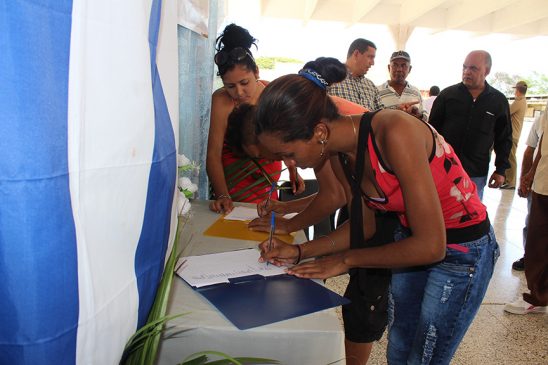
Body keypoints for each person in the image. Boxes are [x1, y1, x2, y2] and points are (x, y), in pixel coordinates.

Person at [254, 57, 499, 364]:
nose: (290, 164)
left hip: (462, 251)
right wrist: (300, 251)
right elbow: (364, 227)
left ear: (318, 132)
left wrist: (344, 260)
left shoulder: (393, 132)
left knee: (424, 356)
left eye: (288, 154)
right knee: (398, 348)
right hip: (409, 242)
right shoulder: (340, 152)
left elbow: (431, 246)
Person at [206, 24, 303, 214]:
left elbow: (286, 139)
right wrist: (223, 195)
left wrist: (293, 169)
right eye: (230, 86)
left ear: (256, 72)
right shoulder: (221, 100)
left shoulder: (272, 93)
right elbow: (213, 155)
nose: (239, 92)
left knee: (266, 222)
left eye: (244, 83)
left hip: (267, 177)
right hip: (234, 182)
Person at [429, 50, 512, 200]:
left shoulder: (498, 101)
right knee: (440, 213)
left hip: (476, 174)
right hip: (443, 170)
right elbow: (431, 132)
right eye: (464, 67)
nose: (467, 72)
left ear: (486, 71)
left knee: (471, 215)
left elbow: (504, 138)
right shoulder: (447, 96)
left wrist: (500, 170)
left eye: (473, 68)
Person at [504, 101, 547, 315]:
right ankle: (538, 297)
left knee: (539, 242)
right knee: (537, 241)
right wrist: (529, 175)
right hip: (544, 184)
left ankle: (538, 298)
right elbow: (541, 147)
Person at [511, 113, 544, 271]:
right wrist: (525, 179)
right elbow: (530, 151)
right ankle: (529, 256)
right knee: (533, 223)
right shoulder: (543, 119)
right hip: (541, 183)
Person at [328, 38, 384, 111]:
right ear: (356, 54)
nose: (372, 63)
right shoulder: (331, 77)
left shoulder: (371, 86)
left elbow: (381, 114)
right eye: (370, 57)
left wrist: (396, 111)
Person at [377, 50, 428, 121]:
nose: (399, 69)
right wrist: (395, 111)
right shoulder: (377, 91)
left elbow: (426, 117)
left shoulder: (415, 92)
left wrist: (419, 115)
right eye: (395, 65)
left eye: (403, 66)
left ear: (409, 69)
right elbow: (371, 117)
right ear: (389, 68)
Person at [502, 81, 528, 189]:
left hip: (513, 135)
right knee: (508, 156)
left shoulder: (519, 101)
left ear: (517, 90)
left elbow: (506, 111)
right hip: (514, 134)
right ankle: (508, 180)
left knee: (510, 158)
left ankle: (511, 182)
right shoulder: (522, 101)